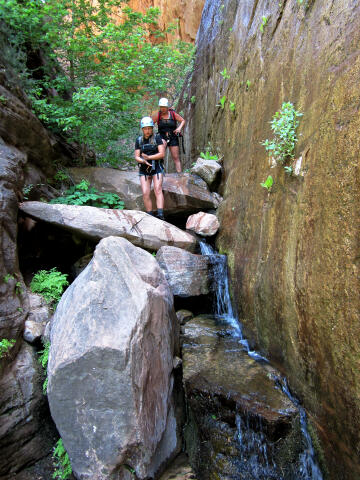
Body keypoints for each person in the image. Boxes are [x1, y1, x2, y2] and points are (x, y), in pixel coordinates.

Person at [134, 116, 166, 220]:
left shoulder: (157, 138)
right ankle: (150, 215)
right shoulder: (139, 140)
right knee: (145, 192)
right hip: (144, 169)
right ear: (142, 129)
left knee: (158, 189)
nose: (148, 131)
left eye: (149, 128)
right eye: (145, 129)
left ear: (152, 128)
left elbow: (162, 154)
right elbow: (137, 156)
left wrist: (149, 157)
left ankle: (160, 214)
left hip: (157, 167)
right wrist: (143, 161)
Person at [152, 97, 185, 173]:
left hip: (173, 137)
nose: (162, 109)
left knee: (176, 157)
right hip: (161, 136)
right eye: (161, 107)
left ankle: (179, 176)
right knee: (161, 155)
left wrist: (179, 128)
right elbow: (150, 123)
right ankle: (159, 173)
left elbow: (183, 120)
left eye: (164, 107)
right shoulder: (158, 115)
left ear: (167, 107)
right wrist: (153, 135)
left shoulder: (173, 114)